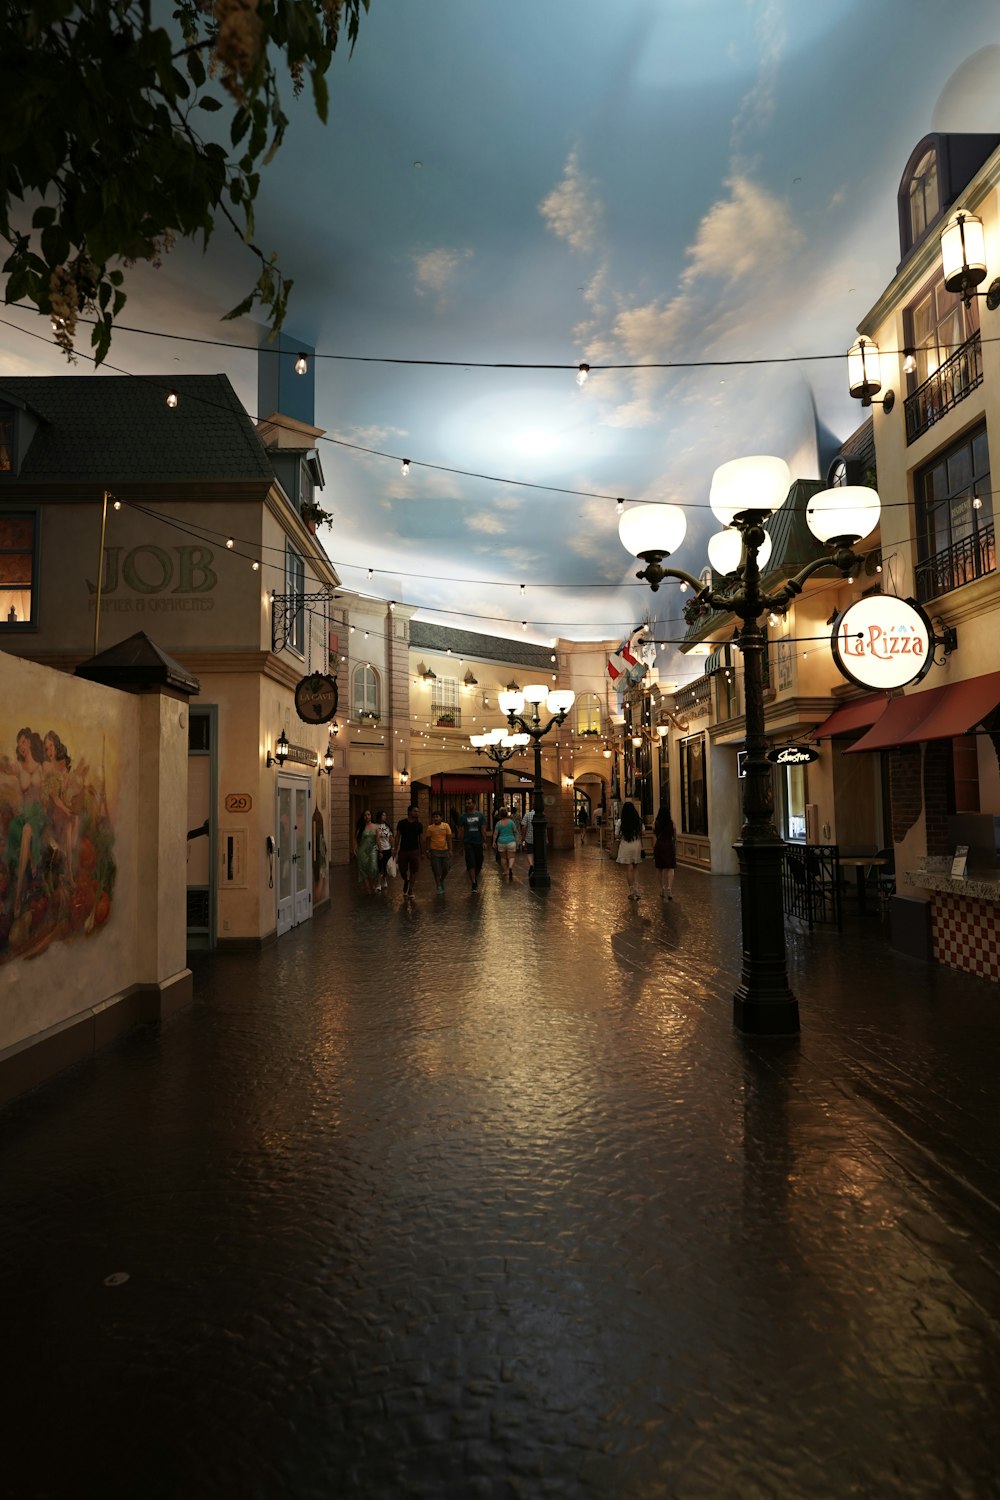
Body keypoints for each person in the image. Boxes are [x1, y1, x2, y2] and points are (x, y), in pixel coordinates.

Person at [456, 797, 488, 891]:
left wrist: (484, 841)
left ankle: (475, 876)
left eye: (469, 803)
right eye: (466, 803)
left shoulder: (480, 816)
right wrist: (460, 845)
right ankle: (473, 882)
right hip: (468, 842)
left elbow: (483, 829)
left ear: (474, 804)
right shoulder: (463, 817)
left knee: (479, 862)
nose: (467, 805)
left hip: (478, 842)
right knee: (471, 863)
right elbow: (461, 831)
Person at [616, 800, 644, 900]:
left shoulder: (621, 822)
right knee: (636, 867)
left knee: (629, 868)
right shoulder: (638, 821)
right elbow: (642, 832)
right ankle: (637, 889)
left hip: (625, 844)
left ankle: (631, 890)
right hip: (636, 844)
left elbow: (617, 835)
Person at [393, 805, 424, 896]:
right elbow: (398, 836)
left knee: (414, 870)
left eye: (418, 811)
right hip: (403, 850)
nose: (417, 813)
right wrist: (395, 849)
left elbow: (421, 839)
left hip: (414, 850)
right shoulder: (402, 823)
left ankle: (410, 890)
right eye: (415, 811)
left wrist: (422, 852)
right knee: (402, 870)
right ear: (410, 812)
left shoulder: (419, 825)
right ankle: (406, 880)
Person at [426, 809, 453, 894]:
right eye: (434, 817)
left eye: (437, 817)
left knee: (446, 868)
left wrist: (450, 850)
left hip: (444, 850)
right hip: (434, 851)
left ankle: (441, 880)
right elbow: (428, 840)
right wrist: (427, 851)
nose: (435, 818)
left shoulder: (446, 826)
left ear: (441, 818)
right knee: (436, 869)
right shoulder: (430, 828)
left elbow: (449, 839)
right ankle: (438, 886)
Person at [653, 805, 677, 900]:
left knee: (659, 868)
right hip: (669, 845)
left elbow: (654, 834)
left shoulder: (656, 823)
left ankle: (662, 888)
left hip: (659, 846)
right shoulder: (672, 823)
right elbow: (675, 837)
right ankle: (669, 889)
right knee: (670, 868)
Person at [355, 810, 379, 895]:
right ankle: (368, 888)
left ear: (371, 816)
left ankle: (373, 885)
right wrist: (356, 849)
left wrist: (380, 851)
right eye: (365, 815)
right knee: (363, 869)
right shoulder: (361, 828)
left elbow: (378, 840)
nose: (367, 816)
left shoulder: (376, 826)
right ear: (363, 817)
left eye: (369, 814)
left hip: (372, 850)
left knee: (373, 868)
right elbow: (357, 840)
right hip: (362, 851)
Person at [493, 805, 518, 881]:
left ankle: (505, 871)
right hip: (511, 841)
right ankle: (510, 867)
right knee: (511, 856)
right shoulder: (511, 822)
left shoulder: (498, 823)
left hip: (501, 842)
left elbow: (495, 833)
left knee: (503, 857)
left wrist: (494, 842)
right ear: (507, 814)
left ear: (500, 814)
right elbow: (515, 830)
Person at [374, 809, 393, 890]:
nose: (384, 817)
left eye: (385, 815)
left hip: (387, 848)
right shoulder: (375, 826)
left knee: (386, 866)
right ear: (379, 816)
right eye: (383, 815)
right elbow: (377, 839)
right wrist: (380, 850)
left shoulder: (387, 826)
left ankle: (385, 880)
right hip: (379, 849)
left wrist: (393, 847)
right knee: (380, 867)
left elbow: (391, 837)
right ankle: (378, 883)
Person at [521, 802, 535, 874]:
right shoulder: (542, 815)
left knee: (530, 852)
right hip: (538, 839)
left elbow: (524, 826)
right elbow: (544, 828)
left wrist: (523, 837)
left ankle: (531, 865)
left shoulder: (527, 815)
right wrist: (546, 839)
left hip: (529, 838)